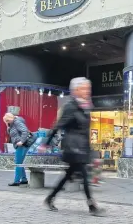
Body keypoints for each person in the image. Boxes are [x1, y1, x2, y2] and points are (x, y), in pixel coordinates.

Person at [39, 77, 105, 216]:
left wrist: (91, 152)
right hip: (73, 147)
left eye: (88, 88)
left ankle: (50, 198)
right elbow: (58, 125)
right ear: (76, 90)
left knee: (67, 176)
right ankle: (92, 206)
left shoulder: (86, 107)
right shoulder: (71, 106)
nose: (87, 91)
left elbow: (85, 131)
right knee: (84, 175)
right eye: (84, 88)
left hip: (82, 148)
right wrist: (46, 142)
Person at [4, 110, 34, 186]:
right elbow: (11, 133)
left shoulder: (17, 122)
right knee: (20, 163)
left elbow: (25, 131)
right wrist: (8, 126)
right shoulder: (12, 124)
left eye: (7, 120)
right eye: (6, 121)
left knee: (18, 163)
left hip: (21, 145)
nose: (7, 122)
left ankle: (16, 181)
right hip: (18, 145)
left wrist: (21, 142)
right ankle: (24, 179)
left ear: (10, 118)